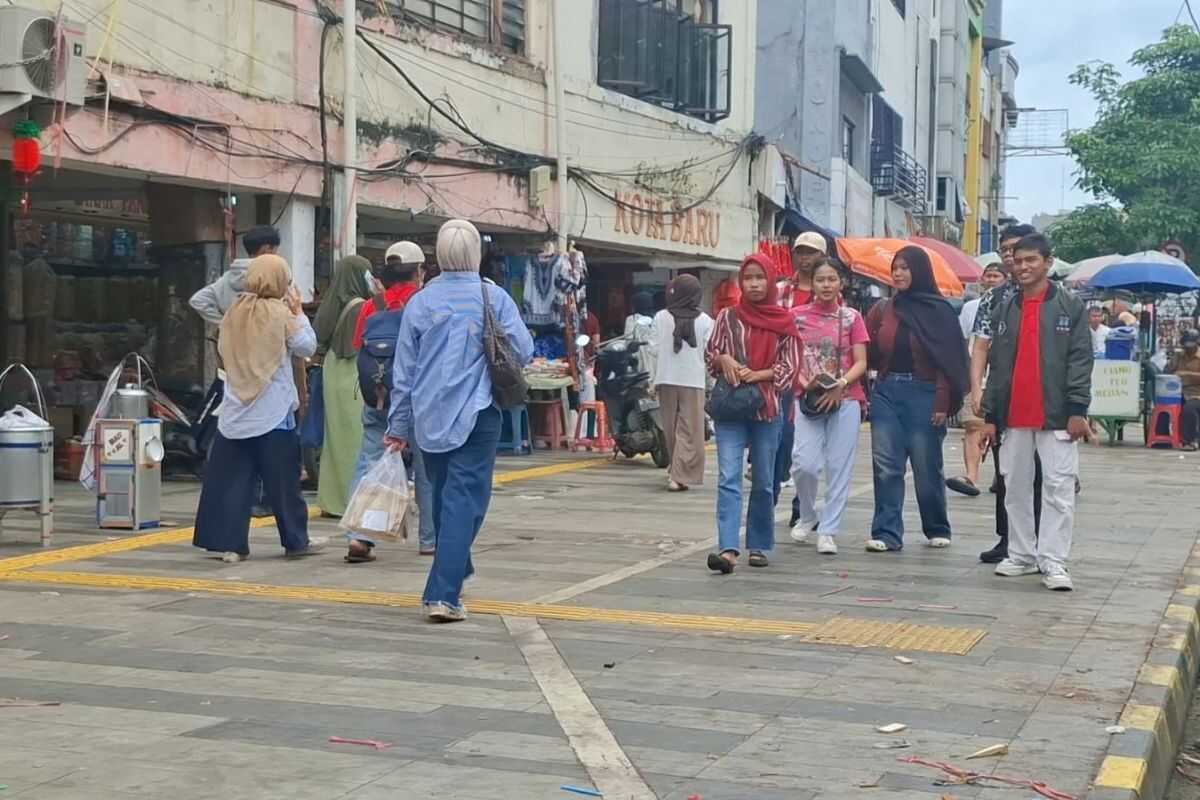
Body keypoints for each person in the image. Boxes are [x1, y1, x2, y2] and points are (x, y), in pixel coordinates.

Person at [384, 220, 534, 622]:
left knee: (444, 497)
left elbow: (404, 371)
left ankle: (455, 564)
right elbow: (523, 348)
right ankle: (443, 593)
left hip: (427, 415)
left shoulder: (420, 302)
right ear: (475, 254)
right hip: (478, 412)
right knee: (468, 500)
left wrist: (398, 426)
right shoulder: (494, 297)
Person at [192, 255, 325, 561]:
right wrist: (299, 313)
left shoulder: (233, 312)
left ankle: (230, 545)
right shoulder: (281, 314)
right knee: (284, 484)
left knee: (232, 482)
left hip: (235, 412)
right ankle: (295, 540)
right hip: (273, 415)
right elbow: (307, 347)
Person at [981, 234, 1093, 591]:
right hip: (1012, 414)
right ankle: (1022, 554)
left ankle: (1054, 561)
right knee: (1013, 487)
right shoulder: (1005, 307)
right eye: (1018, 260)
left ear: (1048, 262)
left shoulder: (1069, 305)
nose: (1024, 266)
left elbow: (1080, 359)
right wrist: (989, 416)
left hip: (1058, 414)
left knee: (1059, 488)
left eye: (1031, 260)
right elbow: (997, 366)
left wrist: (1078, 408)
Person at [865, 246, 969, 552]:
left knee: (926, 465)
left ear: (920, 271)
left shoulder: (940, 311)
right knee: (886, 465)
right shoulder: (883, 309)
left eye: (906, 268)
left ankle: (936, 526)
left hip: (924, 392)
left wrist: (942, 402)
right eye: (895, 268)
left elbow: (949, 361)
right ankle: (886, 533)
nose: (898, 273)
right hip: (886, 392)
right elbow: (868, 350)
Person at [704, 254, 801, 573]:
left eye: (760, 277)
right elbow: (710, 354)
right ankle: (728, 548)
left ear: (770, 280)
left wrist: (757, 375)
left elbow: (790, 370)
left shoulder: (784, 321)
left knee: (763, 480)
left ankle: (758, 544)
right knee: (729, 477)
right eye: (748, 278)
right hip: (731, 408)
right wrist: (725, 361)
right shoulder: (727, 317)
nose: (754, 283)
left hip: (767, 408)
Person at [344, 241, 436, 563]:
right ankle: (429, 540)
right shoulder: (424, 303)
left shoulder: (372, 306)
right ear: (419, 271)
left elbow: (359, 347)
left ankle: (360, 536)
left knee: (369, 464)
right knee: (427, 470)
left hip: (378, 399)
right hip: (418, 400)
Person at [189, 225, 282, 516]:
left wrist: (225, 322)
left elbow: (197, 300)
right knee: (267, 437)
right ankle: (264, 497)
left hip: (233, 366)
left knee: (236, 436)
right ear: (267, 249)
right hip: (266, 369)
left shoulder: (230, 277)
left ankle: (241, 497)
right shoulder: (270, 276)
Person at [970, 223, 1043, 564]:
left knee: (1042, 473)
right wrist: (977, 389)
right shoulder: (994, 298)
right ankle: (1008, 537)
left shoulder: (1051, 296)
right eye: (1006, 252)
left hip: (1042, 399)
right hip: (1003, 395)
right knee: (1005, 472)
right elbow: (981, 347)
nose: (1013, 258)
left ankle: (1040, 540)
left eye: (1018, 250)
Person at [789, 259, 869, 555]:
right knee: (804, 463)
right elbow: (787, 357)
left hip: (845, 399)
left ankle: (829, 529)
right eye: (820, 280)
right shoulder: (795, 317)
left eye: (831, 279)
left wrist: (842, 385)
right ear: (813, 283)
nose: (826, 285)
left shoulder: (851, 317)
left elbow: (861, 361)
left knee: (839, 466)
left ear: (841, 283)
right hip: (807, 398)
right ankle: (808, 514)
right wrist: (803, 381)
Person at [313, 255, 372, 517]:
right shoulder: (363, 307)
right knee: (356, 439)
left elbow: (317, 336)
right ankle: (352, 499)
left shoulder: (331, 302)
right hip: (354, 374)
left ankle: (331, 500)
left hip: (332, 370)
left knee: (334, 439)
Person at [774, 231, 829, 509]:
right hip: (783, 374)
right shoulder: (781, 289)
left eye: (811, 253)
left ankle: (801, 505)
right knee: (780, 439)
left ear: (822, 257)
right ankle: (769, 500)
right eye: (801, 252)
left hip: (815, 378)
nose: (805, 258)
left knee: (809, 449)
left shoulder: (829, 291)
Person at [947, 260, 1007, 498]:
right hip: (975, 374)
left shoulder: (1012, 302)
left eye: (996, 276)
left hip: (1002, 377)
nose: (991, 280)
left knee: (1000, 431)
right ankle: (971, 476)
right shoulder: (971, 307)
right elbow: (964, 341)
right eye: (988, 275)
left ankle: (1000, 475)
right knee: (973, 424)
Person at [649, 275, 714, 492]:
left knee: (671, 427)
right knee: (690, 429)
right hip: (693, 381)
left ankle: (675, 470)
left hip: (666, 378)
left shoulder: (660, 317)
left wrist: (654, 376)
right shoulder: (705, 321)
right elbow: (709, 353)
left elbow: (653, 349)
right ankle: (679, 474)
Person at [1171, 329, 1200, 451]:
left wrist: (1186, 375)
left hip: (1196, 393)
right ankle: (1163, 439)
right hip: (1178, 392)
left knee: (1189, 409)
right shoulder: (1179, 356)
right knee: (1164, 407)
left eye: (1191, 346)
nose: (1188, 349)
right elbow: (1170, 372)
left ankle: (1190, 440)